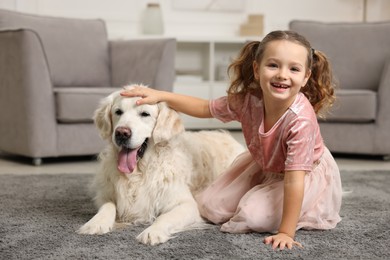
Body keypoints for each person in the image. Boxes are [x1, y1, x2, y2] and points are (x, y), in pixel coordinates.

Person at [121, 30, 342, 250]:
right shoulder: (249, 101)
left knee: (251, 215)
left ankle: (306, 208)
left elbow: (294, 180)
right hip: (266, 164)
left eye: (293, 69)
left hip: (300, 174)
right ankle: (263, 192)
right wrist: (162, 96)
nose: (282, 75)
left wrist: (286, 231)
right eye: (273, 65)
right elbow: (204, 108)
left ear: (305, 77)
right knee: (209, 206)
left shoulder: (300, 121)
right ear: (257, 69)